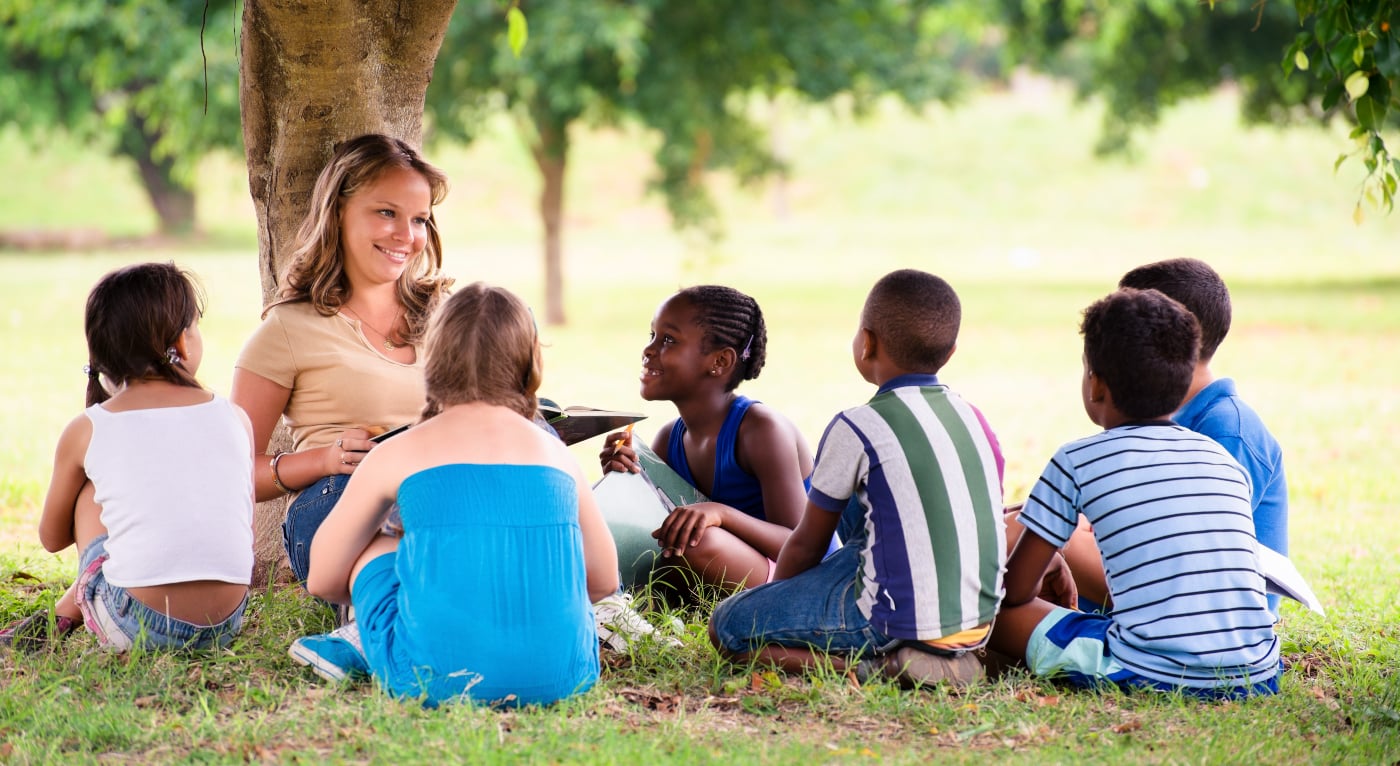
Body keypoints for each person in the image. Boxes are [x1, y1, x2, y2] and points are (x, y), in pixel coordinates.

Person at [295, 283, 620, 708]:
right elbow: (604, 580)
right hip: (567, 676)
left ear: (432, 361)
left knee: (381, 541)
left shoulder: (397, 452)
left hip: (430, 681)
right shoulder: (557, 455)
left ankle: (362, 640)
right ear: (529, 364)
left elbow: (322, 579)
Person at [708, 270, 1006, 688]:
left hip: (889, 620)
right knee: (866, 488)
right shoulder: (976, 420)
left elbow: (808, 543)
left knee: (728, 627)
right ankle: (942, 654)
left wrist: (774, 597)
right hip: (976, 623)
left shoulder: (858, 426)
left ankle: (882, 667)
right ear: (950, 352)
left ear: (867, 343)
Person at [988, 288, 1281, 699]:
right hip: (1259, 673)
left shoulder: (1076, 459)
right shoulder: (1221, 458)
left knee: (993, 613)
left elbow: (1017, 592)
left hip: (1146, 671)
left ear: (1095, 385)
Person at [231, 133, 453, 586]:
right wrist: (324, 460)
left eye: (419, 220)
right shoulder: (288, 329)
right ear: (337, 212)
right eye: (386, 213)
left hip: (438, 489)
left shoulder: (449, 317)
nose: (406, 236)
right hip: (341, 501)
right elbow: (232, 472)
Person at [0, 263, 254, 653]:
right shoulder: (234, 417)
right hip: (224, 624)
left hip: (135, 624)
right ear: (182, 343)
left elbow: (51, 539)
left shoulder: (88, 428)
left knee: (89, 488)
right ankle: (61, 615)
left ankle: (62, 615)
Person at [601, 285, 817, 602]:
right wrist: (622, 476)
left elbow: (799, 545)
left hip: (801, 580)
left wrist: (721, 514)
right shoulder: (670, 439)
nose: (648, 349)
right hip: (730, 569)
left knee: (695, 544)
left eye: (668, 340)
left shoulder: (762, 430)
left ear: (720, 361)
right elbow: (647, 530)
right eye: (652, 336)